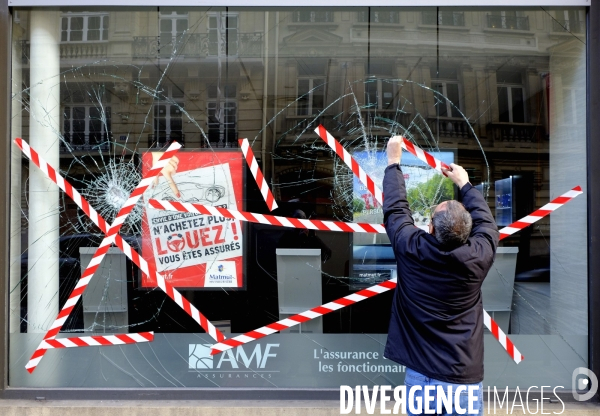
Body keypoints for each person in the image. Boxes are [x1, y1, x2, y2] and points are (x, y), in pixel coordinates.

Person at [382, 136, 499, 415]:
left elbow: (396, 210)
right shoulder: (478, 256)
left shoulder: (412, 248)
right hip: (462, 379)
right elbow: (488, 225)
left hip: (420, 377)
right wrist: (465, 184)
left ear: (431, 228)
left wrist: (393, 163)